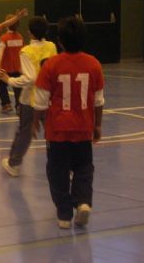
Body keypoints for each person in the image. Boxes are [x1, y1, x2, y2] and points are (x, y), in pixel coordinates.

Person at [32, 16, 104, 229]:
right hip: (83, 128)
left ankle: (64, 213)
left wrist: (35, 122)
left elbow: (41, 101)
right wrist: (97, 125)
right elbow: (98, 100)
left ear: (60, 40)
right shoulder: (94, 64)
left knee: (57, 171)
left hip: (57, 131)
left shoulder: (51, 65)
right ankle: (82, 202)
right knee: (83, 167)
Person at [0, 16, 57, 177]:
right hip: (50, 97)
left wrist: (9, 80)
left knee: (25, 132)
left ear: (30, 32)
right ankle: (65, 166)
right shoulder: (52, 46)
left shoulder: (26, 51)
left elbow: (30, 78)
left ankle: (13, 164)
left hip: (32, 99)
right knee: (54, 133)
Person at [0, 14, 24, 114]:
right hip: (18, 68)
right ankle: (19, 107)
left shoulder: (4, 38)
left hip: (6, 69)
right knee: (17, 89)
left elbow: (1, 51)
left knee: (1, 88)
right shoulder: (20, 37)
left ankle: (6, 105)